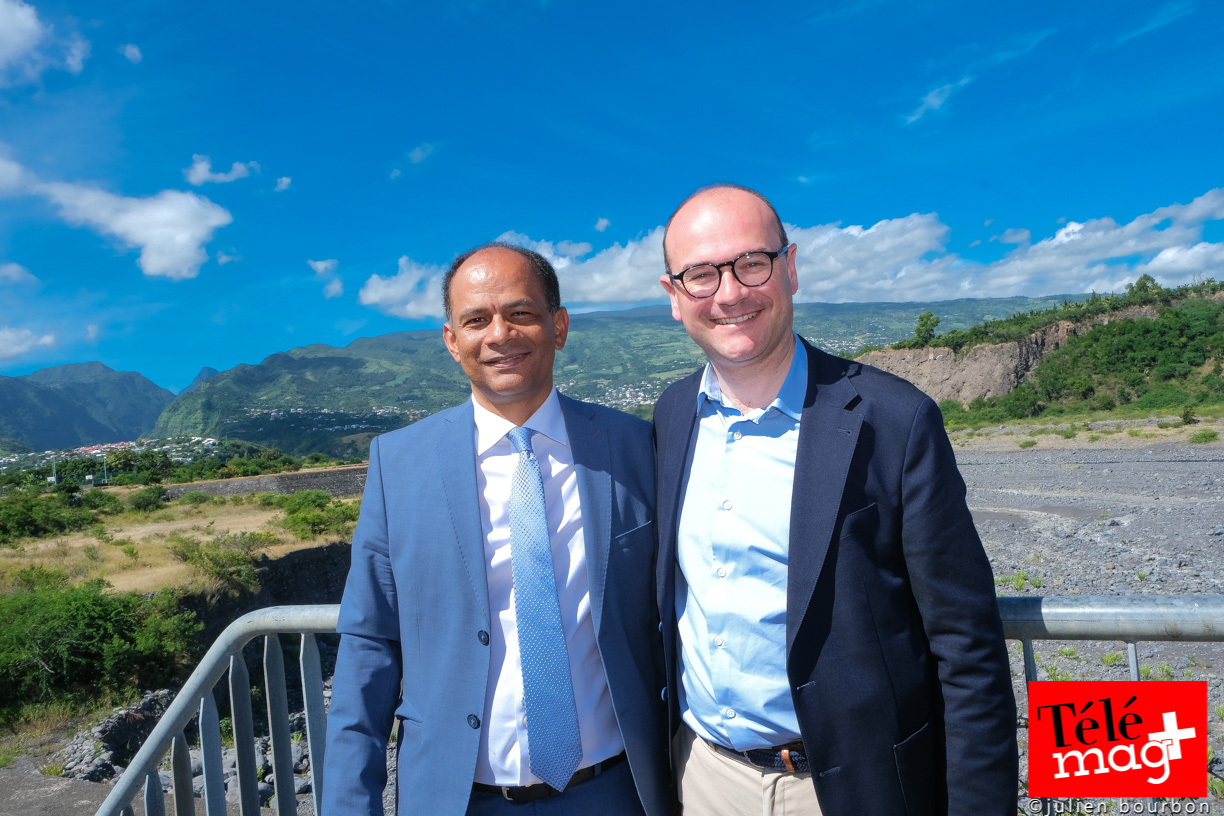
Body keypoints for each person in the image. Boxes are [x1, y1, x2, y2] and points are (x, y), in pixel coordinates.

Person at [653, 184, 1018, 816]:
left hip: (848, 787)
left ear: (790, 268)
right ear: (675, 299)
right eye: (701, 275)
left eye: (751, 263)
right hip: (703, 779)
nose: (731, 293)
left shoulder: (895, 421)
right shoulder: (672, 416)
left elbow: (967, 647)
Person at [323, 243, 668, 816]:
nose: (500, 334)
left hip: (615, 791)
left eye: (521, 313)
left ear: (558, 326)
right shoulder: (398, 465)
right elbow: (369, 645)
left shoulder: (635, 447)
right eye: (476, 320)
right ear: (451, 339)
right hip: (456, 799)